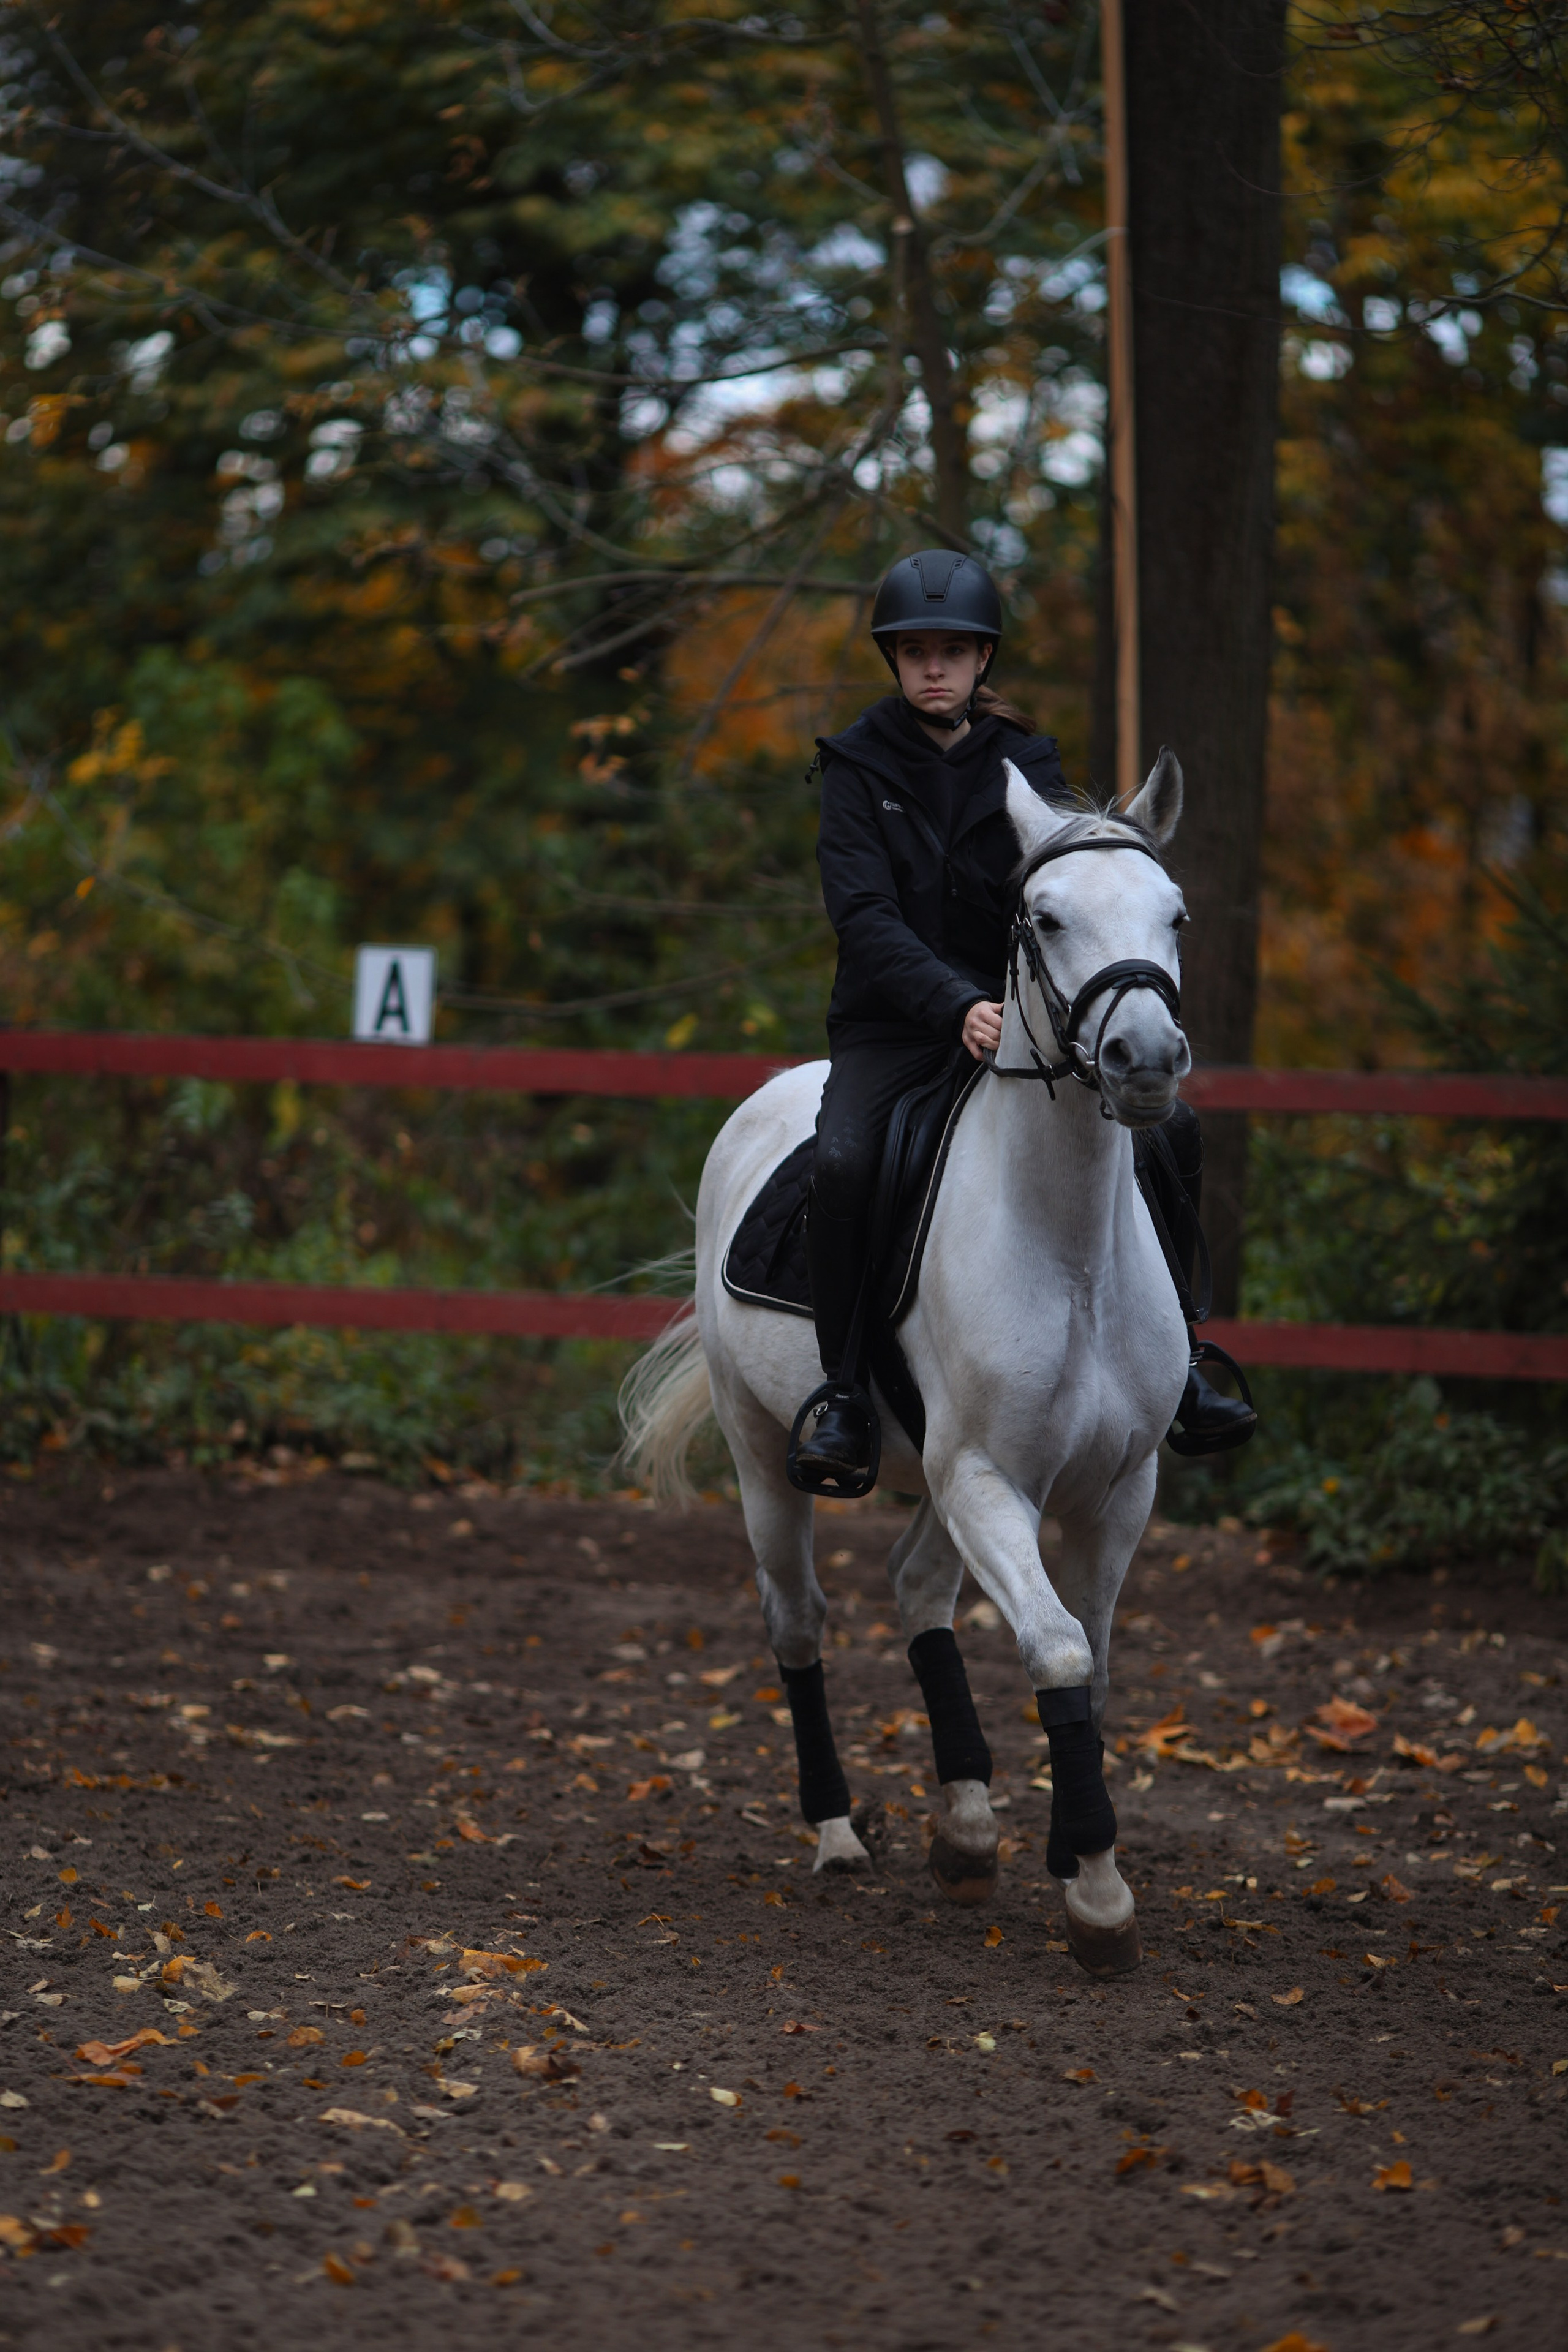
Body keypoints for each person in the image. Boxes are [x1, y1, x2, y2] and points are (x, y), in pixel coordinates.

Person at [793, 546, 1256, 1484]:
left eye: (953, 652)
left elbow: (1073, 901)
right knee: (843, 1162)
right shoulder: (853, 767)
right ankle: (842, 1391)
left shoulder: (1027, 763)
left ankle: (1186, 1363)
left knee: (1175, 1135)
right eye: (916, 650)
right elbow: (865, 918)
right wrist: (954, 1001)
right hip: (896, 1025)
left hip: (1031, 1023)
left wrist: (1035, 1001)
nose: (934, 667)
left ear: (981, 661)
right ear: (895, 659)